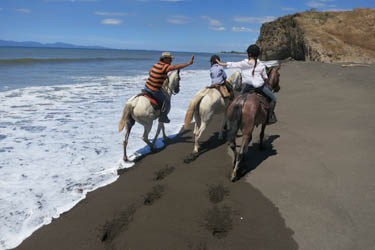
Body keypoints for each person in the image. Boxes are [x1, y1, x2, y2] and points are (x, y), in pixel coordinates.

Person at [216, 44, 277, 124]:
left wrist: (220, 63)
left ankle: (230, 119)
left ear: (249, 54)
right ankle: (269, 118)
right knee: (274, 99)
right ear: (258, 55)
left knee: (236, 102)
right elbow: (265, 78)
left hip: (246, 88)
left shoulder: (243, 63)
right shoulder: (261, 65)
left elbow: (232, 64)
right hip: (259, 88)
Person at [144, 52, 194, 123]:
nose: (171, 61)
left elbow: (150, 72)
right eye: (170, 59)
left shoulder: (156, 65)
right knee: (166, 101)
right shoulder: (165, 66)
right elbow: (175, 67)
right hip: (154, 90)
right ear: (165, 59)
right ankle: (163, 117)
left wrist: (159, 76)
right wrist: (188, 63)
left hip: (146, 88)